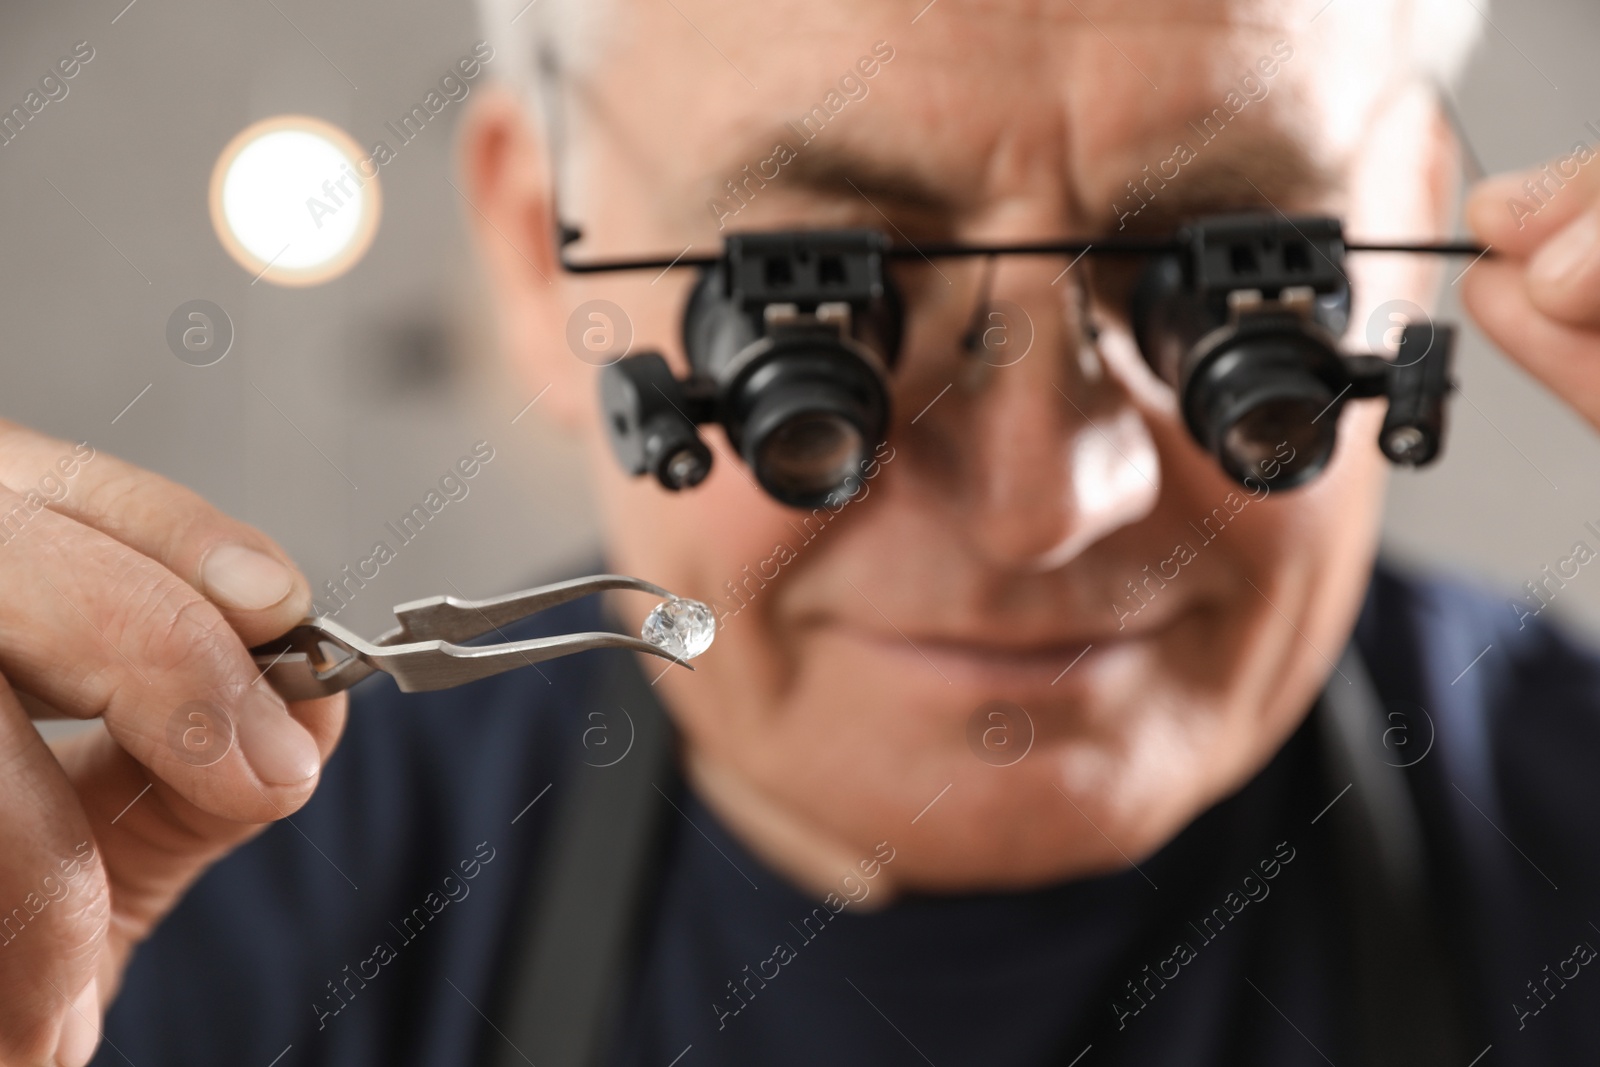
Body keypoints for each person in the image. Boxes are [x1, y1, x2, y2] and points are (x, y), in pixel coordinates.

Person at [1, 0, 1597, 1063]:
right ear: (540, 258)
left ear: (1415, 242)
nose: (1051, 505)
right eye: (829, 295)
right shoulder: (183, 908)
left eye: (1226, 276)